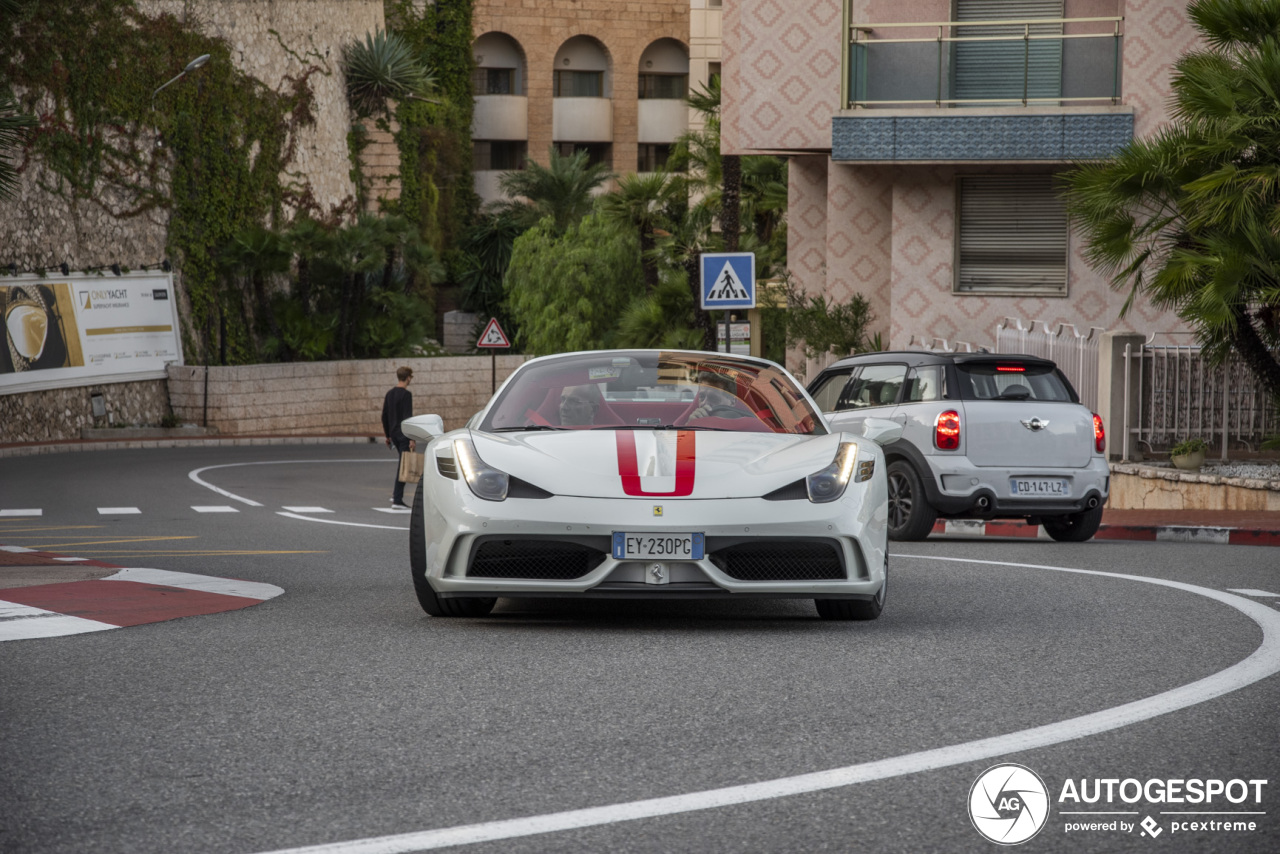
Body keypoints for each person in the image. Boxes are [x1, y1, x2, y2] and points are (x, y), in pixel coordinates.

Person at [381, 366, 415, 508]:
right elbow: (408, 417)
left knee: (402, 464)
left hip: (394, 434)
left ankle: (396, 495)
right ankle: (397, 499)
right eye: (411, 377)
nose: (411, 379)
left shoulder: (390, 393)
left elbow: (384, 416)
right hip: (403, 434)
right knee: (403, 466)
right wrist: (412, 438)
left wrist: (388, 435)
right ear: (407, 377)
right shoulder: (406, 395)